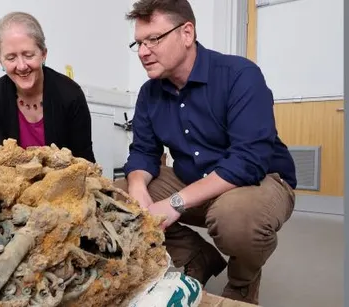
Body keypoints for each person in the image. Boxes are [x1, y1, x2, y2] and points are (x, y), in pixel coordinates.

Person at [115, 0, 298, 304]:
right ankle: (196, 255)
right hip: (193, 181)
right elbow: (144, 152)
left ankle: (242, 284)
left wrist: (175, 202)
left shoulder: (240, 75)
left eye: (154, 40)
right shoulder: (150, 93)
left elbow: (248, 162)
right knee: (116, 198)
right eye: (139, 42)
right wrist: (136, 188)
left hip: (258, 181)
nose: (144, 52)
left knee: (236, 217)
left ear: (186, 33)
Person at [0, 12, 96, 163]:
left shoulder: (70, 95)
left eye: (28, 55)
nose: (21, 66)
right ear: (0, 60)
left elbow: (84, 161)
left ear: (43, 54)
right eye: (11, 58)